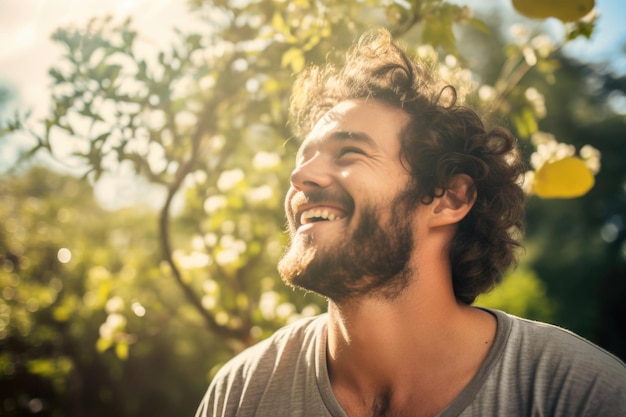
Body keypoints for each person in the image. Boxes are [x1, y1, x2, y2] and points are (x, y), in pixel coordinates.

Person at [195, 28, 626, 417]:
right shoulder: (240, 394)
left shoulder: (581, 393)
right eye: (303, 158)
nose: (299, 177)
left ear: (450, 199)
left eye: (348, 154)